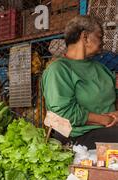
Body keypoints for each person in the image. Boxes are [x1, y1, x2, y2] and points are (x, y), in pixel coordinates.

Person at [42, 15, 118, 149]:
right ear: (85, 37)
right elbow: (64, 112)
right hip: (78, 136)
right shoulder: (59, 70)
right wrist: (104, 120)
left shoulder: (101, 68)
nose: (102, 42)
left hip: (110, 129)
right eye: (100, 36)